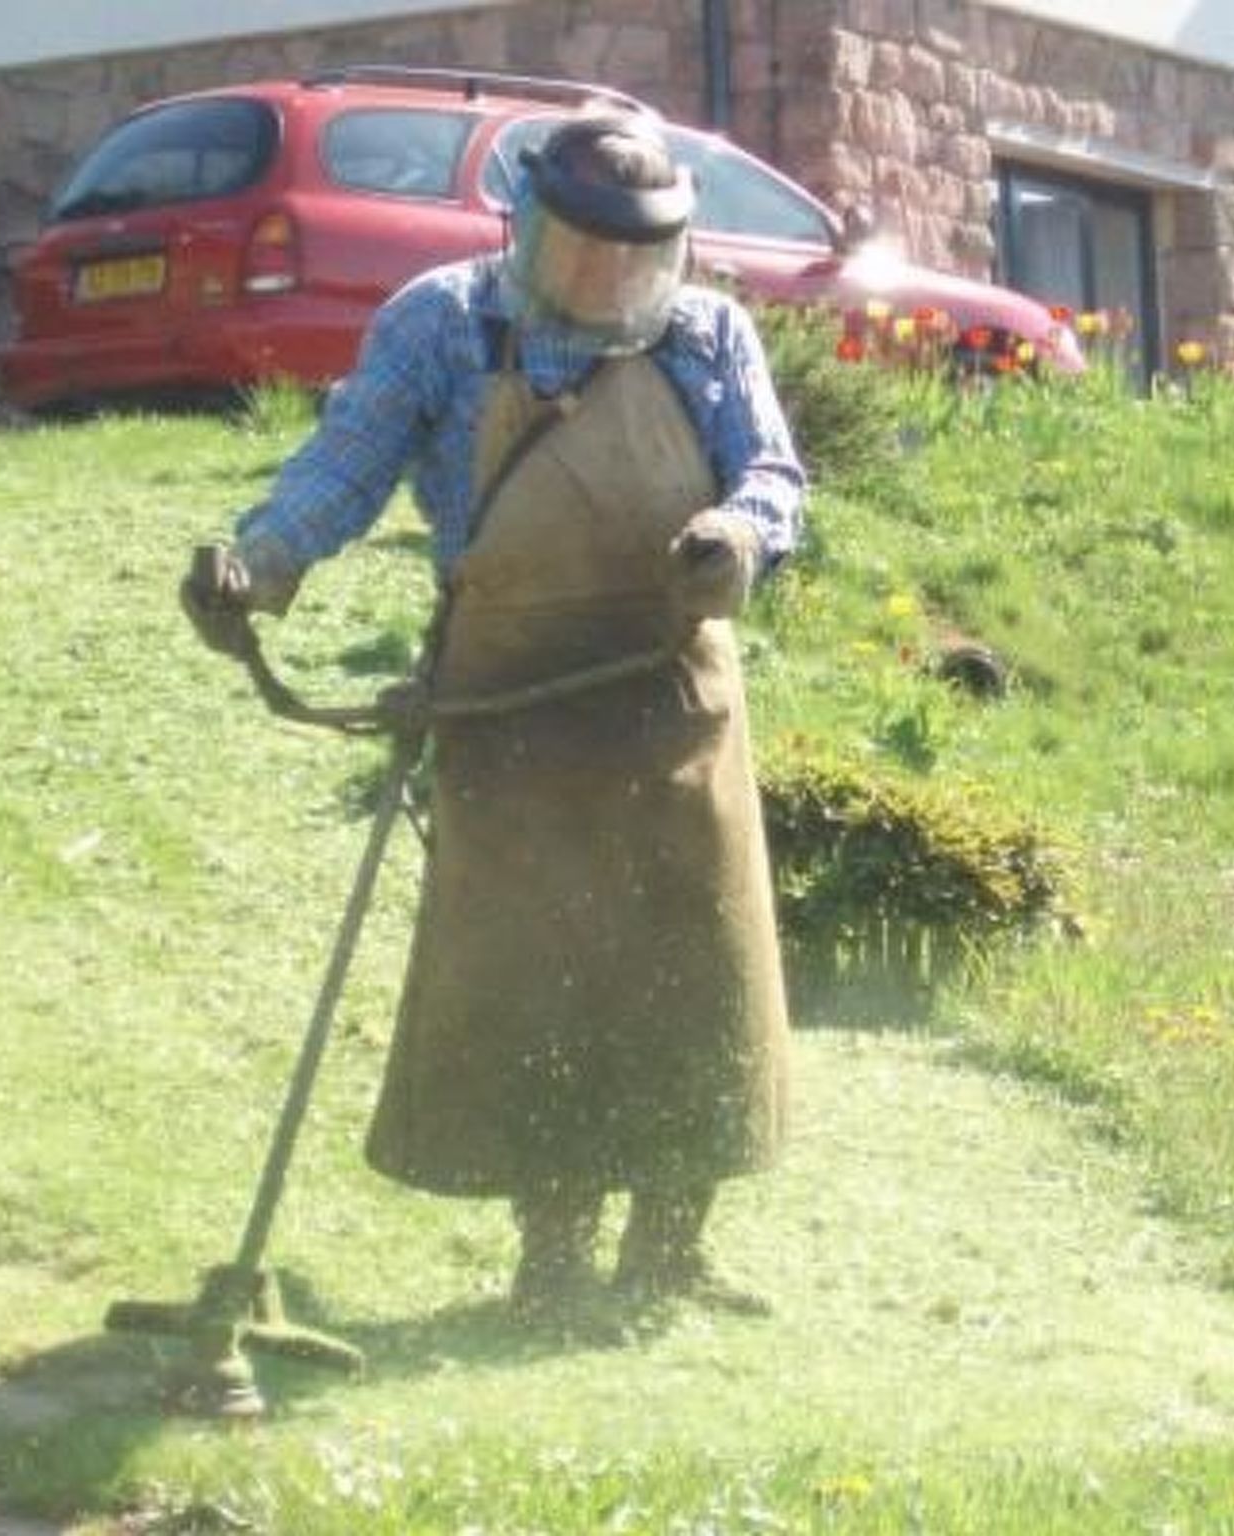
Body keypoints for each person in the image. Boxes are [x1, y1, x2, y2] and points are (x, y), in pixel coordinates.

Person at [181, 112, 803, 1322]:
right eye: (583, 251)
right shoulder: (440, 323)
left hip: (668, 689)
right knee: (541, 973)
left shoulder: (707, 334)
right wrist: (259, 564)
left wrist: (738, 536)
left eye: (634, 257)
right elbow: (344, 465)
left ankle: (670, 1248)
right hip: (505, 698)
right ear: (522, 224)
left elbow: (769, 473)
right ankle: (555, 1257)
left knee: (692, 967)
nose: (607, 280)